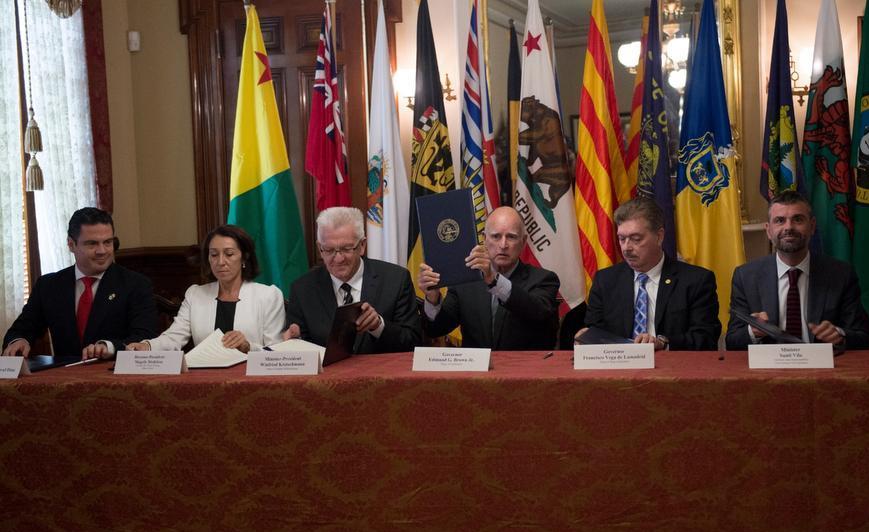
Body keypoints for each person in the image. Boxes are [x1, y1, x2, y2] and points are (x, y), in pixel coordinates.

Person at [3, 207, 157, 360]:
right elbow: (21, 330)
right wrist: (20, 340)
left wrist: (109, 347)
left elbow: (144, 338)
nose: (102, 251)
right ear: (71, 244)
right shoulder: (49, 285)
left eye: (108, 242)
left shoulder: (136, 284)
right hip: (62, 378)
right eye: (92, 244)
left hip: (115, 375)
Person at [725, 190, 869, 350]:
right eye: (780, 221)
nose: (789, 227)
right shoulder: (746, 276)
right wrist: (754, 332)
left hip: (823, 369)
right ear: (768, 230)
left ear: (812, 226)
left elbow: (863, 338)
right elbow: (732, 341)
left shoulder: (841, 274)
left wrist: (839, 335)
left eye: (798, 219)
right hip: (768, 369)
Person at [577, 197, 720, 350]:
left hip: (673, 368)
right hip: (618, 368)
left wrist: (663, 344)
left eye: (636, 239)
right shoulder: (605, 280)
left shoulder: (696, 281)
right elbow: (595, 332)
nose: (626, 248)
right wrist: (587, 338)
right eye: (622, 239)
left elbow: (706, 338)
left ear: (659, 237)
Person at [126, 225, 284, 353]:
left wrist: (248, 347)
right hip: (205, 378)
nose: (220, 262)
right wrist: (147, 346)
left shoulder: (268, 295)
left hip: (251, 379)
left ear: (244, 257)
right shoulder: (195, 294)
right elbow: (174, 337)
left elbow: (277, 352)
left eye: (229, 254)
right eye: (214, 255)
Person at [419, 206, 559, 349]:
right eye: (496, 236)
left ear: (523, 242)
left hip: (522, 369)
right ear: (484, 239)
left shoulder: (544, 279)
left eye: (511, 237)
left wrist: (494, 280)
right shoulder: (466, 281)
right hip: (475, 370)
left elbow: (538, 314)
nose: (503, 245)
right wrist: (433, 299)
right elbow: (436, 329)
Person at [283, 207, 420, 352]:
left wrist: (378, 326)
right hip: (330, 374)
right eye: (329, 250)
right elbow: (301, 347)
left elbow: (413, 343)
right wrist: (293, 345)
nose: (338, 258)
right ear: (319, 248)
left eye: (346, 249)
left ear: (362, 245)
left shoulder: (396, 280)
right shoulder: (302, 290)